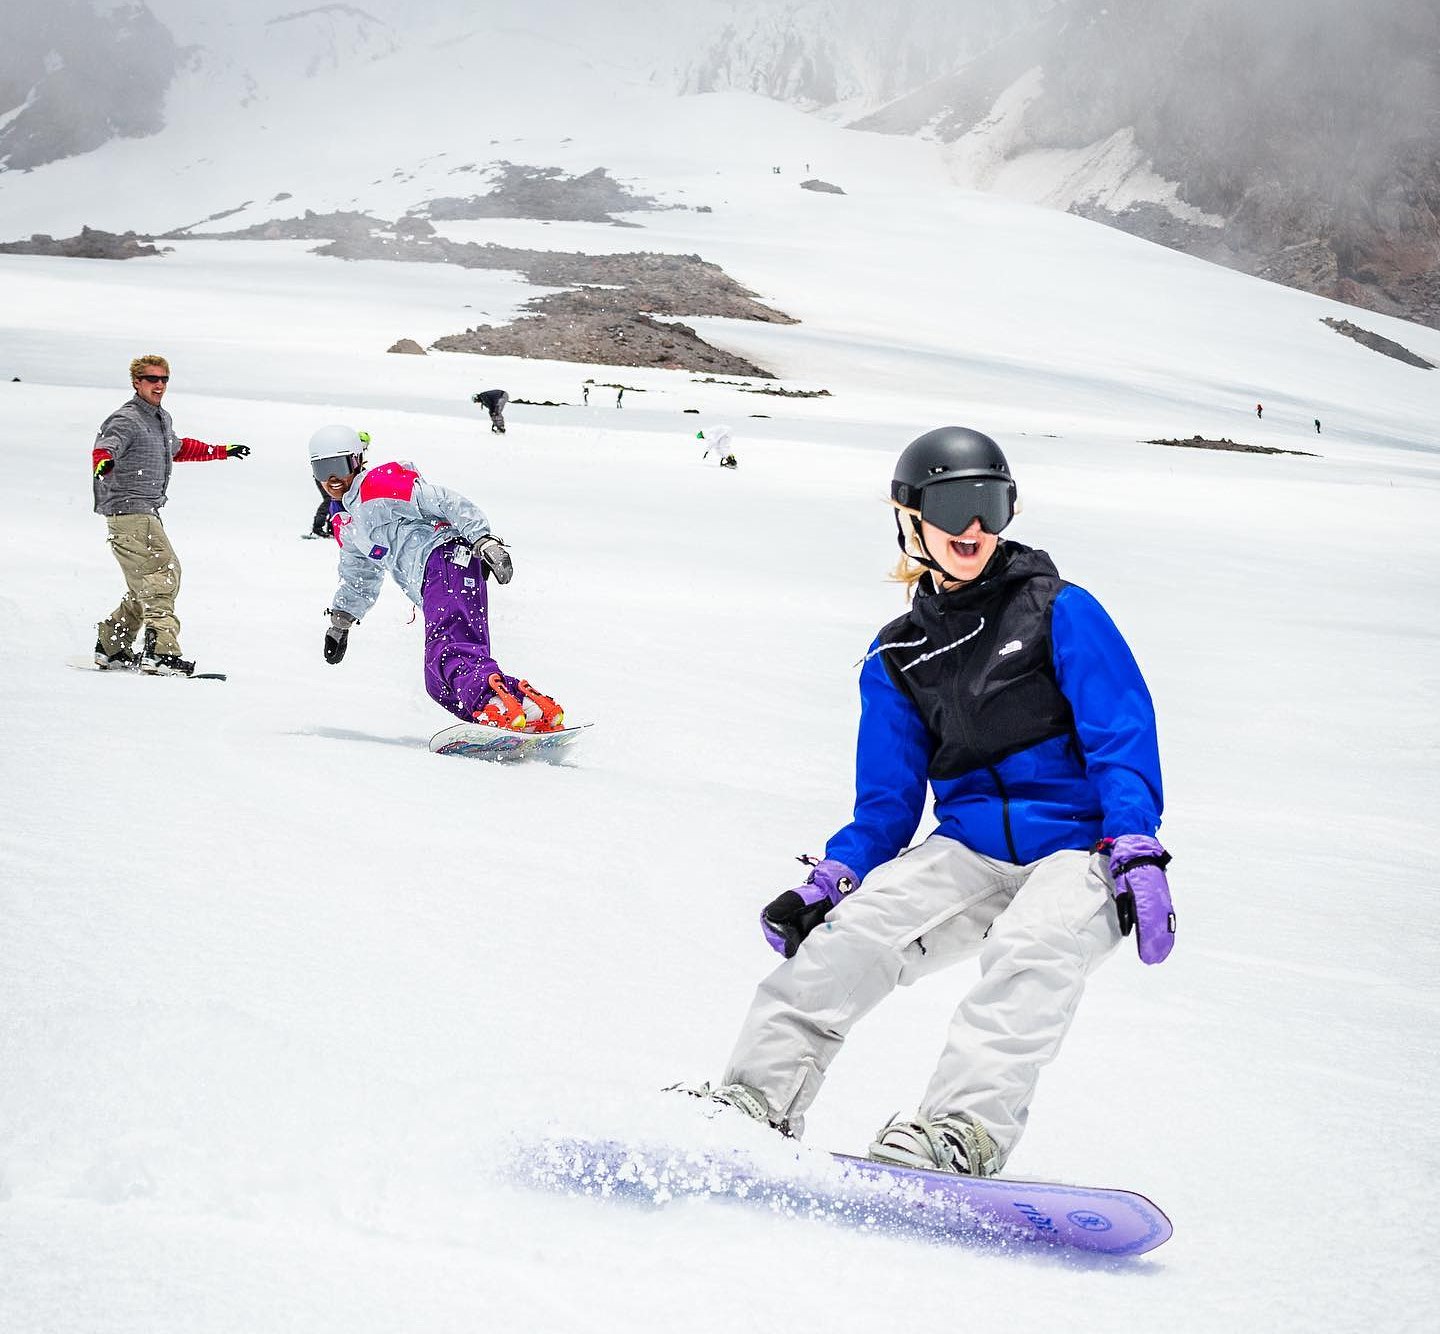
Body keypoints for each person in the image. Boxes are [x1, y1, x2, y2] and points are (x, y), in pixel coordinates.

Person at [683, 426, 1173, 1177]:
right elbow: (886, 805)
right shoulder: (897, 656)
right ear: (910, 518)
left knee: (1032, 949)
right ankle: (753, 1103)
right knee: (846, 941)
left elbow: (1121, 733)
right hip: (968, 850)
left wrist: (1133, 843)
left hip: (1079, 848)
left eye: (990, 504)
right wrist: (835, 880)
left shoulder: (1060, 611)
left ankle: (961, 1133)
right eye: (952, 505)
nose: (972, 528)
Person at [309, 425, 564, 731]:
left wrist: (484, 541)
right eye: (323, 468)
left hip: (443, 561)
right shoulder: (346, 522)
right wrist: (341, 622)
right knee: (441, 677)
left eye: (338, 466)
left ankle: (495, 708)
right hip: (441, 577)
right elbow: (358, 576)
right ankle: (526, 708)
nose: (332, 478)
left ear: (357, 461)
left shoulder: (377, 485)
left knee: (447, 655)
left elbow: (444, 501)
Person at [91, 354, 250, 676]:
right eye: (152, 379)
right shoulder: (127, 419)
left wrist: (221, 450)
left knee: (148, 580)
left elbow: (177, 448)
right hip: (130, 509)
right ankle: (161, 652)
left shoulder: (158, 418)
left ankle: (113, 646)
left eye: (164, 379)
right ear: (137, 382)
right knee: (162, 575)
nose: (159, 385)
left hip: (144, 510)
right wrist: (103, 462)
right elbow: (107, 446)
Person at [306, 430, 370, 538]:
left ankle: (333, 528)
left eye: (365, 444)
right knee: (330, 499)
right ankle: (318, 527)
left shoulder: (356, 455)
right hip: (326, 476)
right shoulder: (343, 448)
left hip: (337, 476)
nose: (363, 446)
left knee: (341, 499)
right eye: (361, 443)